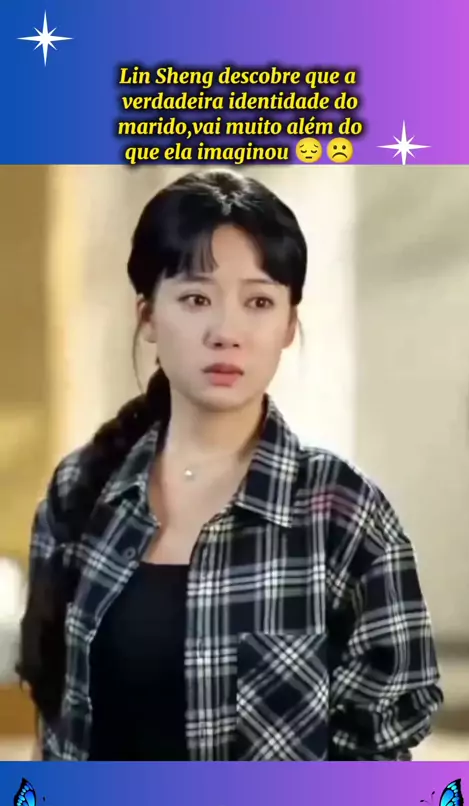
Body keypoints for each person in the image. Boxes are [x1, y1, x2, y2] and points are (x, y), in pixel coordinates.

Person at [18, 169, 443, 762]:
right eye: (196, 299)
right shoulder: (80, 491)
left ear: (289, 324)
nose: (227, 332)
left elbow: (382, 754)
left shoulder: (344, 513)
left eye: (259, 302)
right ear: (147, 315)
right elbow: (54, 732)